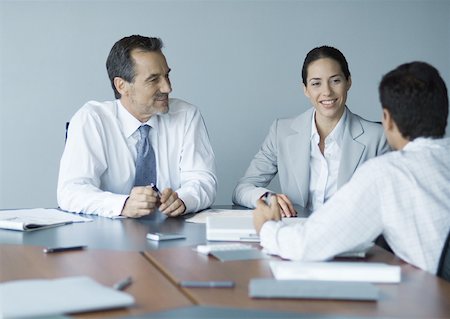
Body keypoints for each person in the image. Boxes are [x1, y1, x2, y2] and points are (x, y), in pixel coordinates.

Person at [253, 61, 450, 275]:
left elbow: (307, 245)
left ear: (388, 120)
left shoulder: (386, 173)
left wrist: (267, 228)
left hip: (433, 303)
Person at [57, 35, 217, 218]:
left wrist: (183, 199)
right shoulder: (92, 120)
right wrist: (123, 204)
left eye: (167, 75)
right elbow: (70, 191)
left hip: (172, 235)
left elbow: (204, 180)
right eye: (153, 79)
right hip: (106, 238)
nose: (167, 88)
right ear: (122, 86)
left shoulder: (187, 115)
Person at [233, 46, 389, 217]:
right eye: (316, 83)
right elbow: (242, 189)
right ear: (306, 89)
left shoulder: (378, 137)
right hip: (297, 236)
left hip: (352, 239)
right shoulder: (282, 132)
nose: (327, 91)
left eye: (335, 80)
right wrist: (268, 198)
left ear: (348, 82)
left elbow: (389, 202)